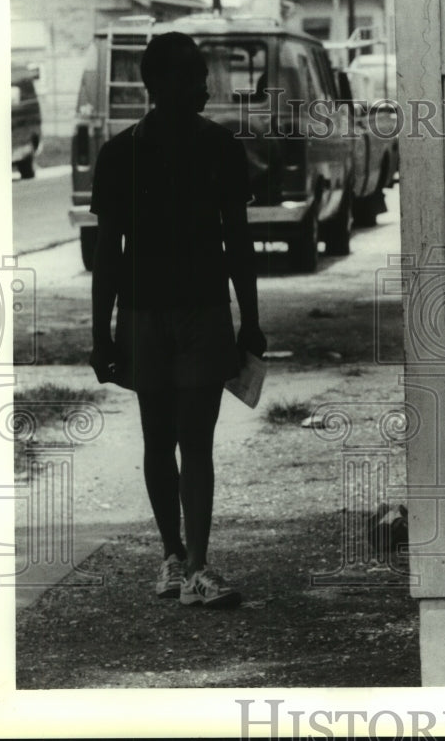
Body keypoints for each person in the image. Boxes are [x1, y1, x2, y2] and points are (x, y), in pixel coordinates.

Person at [89, 31, 266, 609]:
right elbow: (107, 255)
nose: (205, 86)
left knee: (194, 439)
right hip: (146, 314)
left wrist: (251, 320)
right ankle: (173, 556)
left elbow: (239, 241)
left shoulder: (220, 147)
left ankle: (195, 566)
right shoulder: (119, 155)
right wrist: (100, 334)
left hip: (203, 312)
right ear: (157, 84)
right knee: (158, 437)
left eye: (202, 74)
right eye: (193, 75)